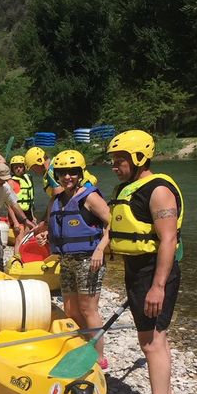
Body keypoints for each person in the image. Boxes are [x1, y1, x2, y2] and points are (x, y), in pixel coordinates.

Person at [107, 129, 184, 394]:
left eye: (120, 159)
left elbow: (168, 239)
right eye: (113, 160)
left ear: (139, 157)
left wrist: (158, 286)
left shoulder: (159, 191)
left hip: (154, 272)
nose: (114, 165)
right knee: (157, 340)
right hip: (137, 272)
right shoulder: (130, 188)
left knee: (152, 343)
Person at [35, 149, 112, 369]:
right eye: (63, 172)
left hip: (89, 259)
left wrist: (100, 249)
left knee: (89, 309)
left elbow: (112, 223)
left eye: (72, 172)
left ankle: (98, 357)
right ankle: (81, 347)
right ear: (56, 175)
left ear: (80, 173)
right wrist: (46, 236)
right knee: (70, 308)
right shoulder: (56, 200)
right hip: (67, 260)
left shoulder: (89, 197)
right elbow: (53, 227)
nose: (67, 176)